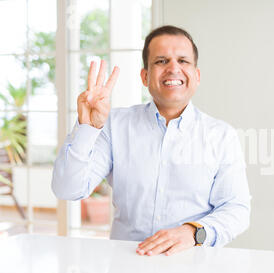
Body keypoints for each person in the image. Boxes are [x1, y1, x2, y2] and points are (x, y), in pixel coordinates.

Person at [52, 25, 251, 256]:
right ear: (145, 76)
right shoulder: (114, 125)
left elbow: (236, 210)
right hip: (126, 270)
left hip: (193, 270)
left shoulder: (221, 136)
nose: (173, 68)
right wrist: (88, 127)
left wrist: (193, 232)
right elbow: (67, 190)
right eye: (161, 61)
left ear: (196, 76)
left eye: (183, 61)